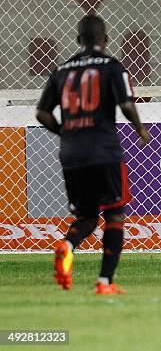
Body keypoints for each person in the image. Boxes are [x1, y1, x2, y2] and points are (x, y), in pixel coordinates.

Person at [36, 15, 150, 295]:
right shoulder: (112, 66)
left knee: (87, 217)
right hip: (104, 150)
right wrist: (140, 129)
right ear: (106, 40)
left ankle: (68, 245)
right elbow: (125, 104)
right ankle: (104, 282)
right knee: (115, 215)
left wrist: (67, 133)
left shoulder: (61, 70)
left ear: (78, 41)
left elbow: (42, 113)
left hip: (72, 154)